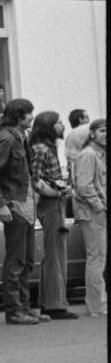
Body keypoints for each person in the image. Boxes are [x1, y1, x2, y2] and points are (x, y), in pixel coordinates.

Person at [0, 98, 47, 326]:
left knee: (27, 260)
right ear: (19, 116)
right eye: (28, 113)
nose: (31, 117)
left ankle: (25, 307)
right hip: (15, 205)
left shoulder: (21, 137)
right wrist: (0, 204)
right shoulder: (7, 139)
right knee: (16, 261)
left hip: (26, 205)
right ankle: (14, 310)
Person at [28, 111, 77, 320]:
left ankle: (51, 301)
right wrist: (58, 192)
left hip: (54, 203)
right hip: (49, 205)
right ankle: (55, 305)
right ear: (48, 126)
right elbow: (36, 180)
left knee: (54, 254)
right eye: (58, 123)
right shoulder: (40, 149)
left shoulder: (48, 148)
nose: (62, 126)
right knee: (55, 255)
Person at [73, 119, 107, 317]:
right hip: (92, 213)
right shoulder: (88, 154)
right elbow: (84, 186)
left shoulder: (98, 154)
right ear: (92, 133)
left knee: (99, 258)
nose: (105, 134)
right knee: (96, 258)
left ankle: (99, 302)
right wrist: (99, 207)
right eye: (102, 131)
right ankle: (96, 305)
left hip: (96, 211)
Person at [64, 109, 91, 181]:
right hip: (88, 170)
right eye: (87, 117)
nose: (89, 119)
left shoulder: (69, 136)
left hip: (76, 173)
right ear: (80, 119)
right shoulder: (87, 129)